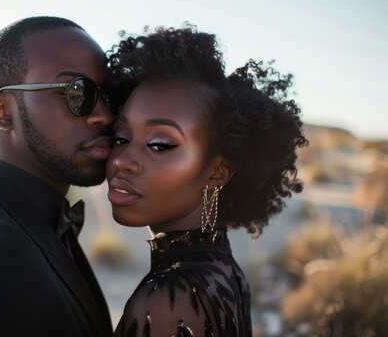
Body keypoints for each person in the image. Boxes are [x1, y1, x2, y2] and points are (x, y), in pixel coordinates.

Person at [105, 25, 308, 336]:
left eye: (159, 144)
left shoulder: (171, 299)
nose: (120, 160)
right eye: (121, 137)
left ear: (217, 172)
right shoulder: (221, 266)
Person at [0, 16, 114, 336]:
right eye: (77, 92)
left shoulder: (35, 225)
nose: (104, 115)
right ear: (2, 111)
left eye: (108, 94)